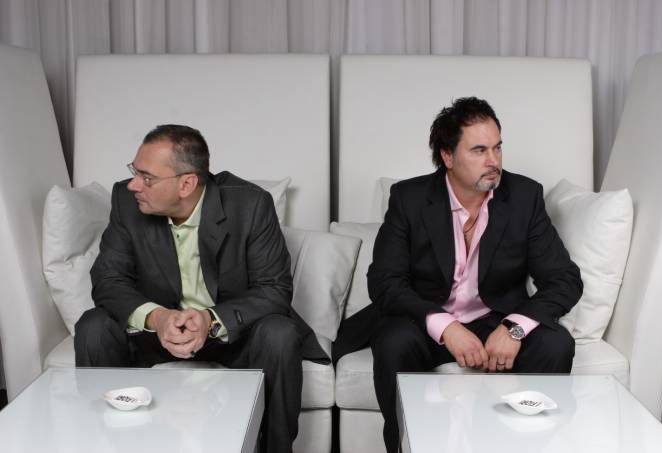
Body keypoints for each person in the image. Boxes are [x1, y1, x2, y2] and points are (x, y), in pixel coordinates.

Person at [340, 97, 583, 452]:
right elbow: (385, 282)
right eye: (479, 150)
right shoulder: (409, 198)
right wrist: (447, 327)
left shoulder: (524, 196)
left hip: (495, 319)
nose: (494, 161)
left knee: (556, 343)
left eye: (498, 147)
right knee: (394, 342)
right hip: (426, 322)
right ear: (448, 157)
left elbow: (564, 279)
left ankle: (525, 446)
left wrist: (515, 328)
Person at [74, 124, 328, 453]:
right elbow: (108, 280)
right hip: (159, 334)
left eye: (147, 178)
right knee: (93, 326)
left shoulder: (250, 205)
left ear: (187, 183)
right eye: (134, 172)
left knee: (280, 334)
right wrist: (158, 319)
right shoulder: (126, 200)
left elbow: (274, 289)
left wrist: (210, 320)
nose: (134, 184)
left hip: (230, 335)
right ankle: (109, 445)